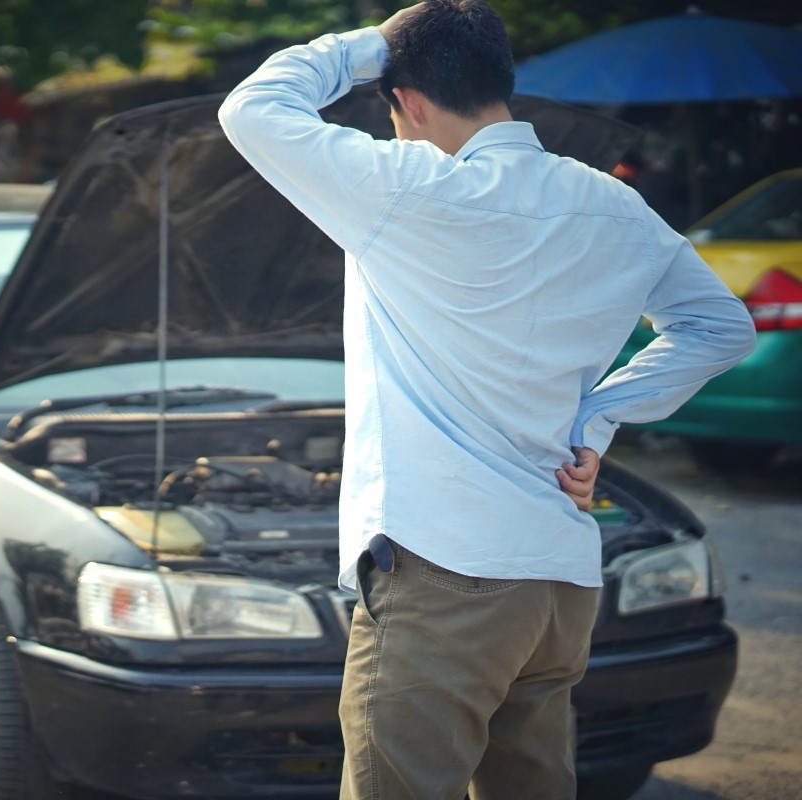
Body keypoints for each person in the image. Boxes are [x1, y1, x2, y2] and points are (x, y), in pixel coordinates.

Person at [217, 2, 756, 799]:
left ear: (408, 101)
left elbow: (251, 108)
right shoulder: (612, 204)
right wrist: (596, 420)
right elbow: (720, 328)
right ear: (503, 83)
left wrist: (378, 42)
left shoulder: (404, 187)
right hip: (559, 580)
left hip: (445, 575)